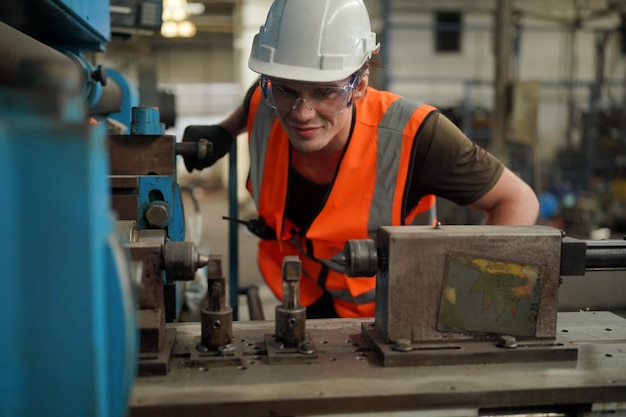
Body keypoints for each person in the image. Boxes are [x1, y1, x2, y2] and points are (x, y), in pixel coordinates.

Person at [181, 0, 540, 319]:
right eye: (287, 89)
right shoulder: (266, 102)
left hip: (391, 310)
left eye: (325, 92)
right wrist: (225, 130)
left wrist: (472, 307)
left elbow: (518, 200)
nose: (302, 113)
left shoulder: (418, 137)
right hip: (300, 295)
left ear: (361, 84)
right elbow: (254, 103)